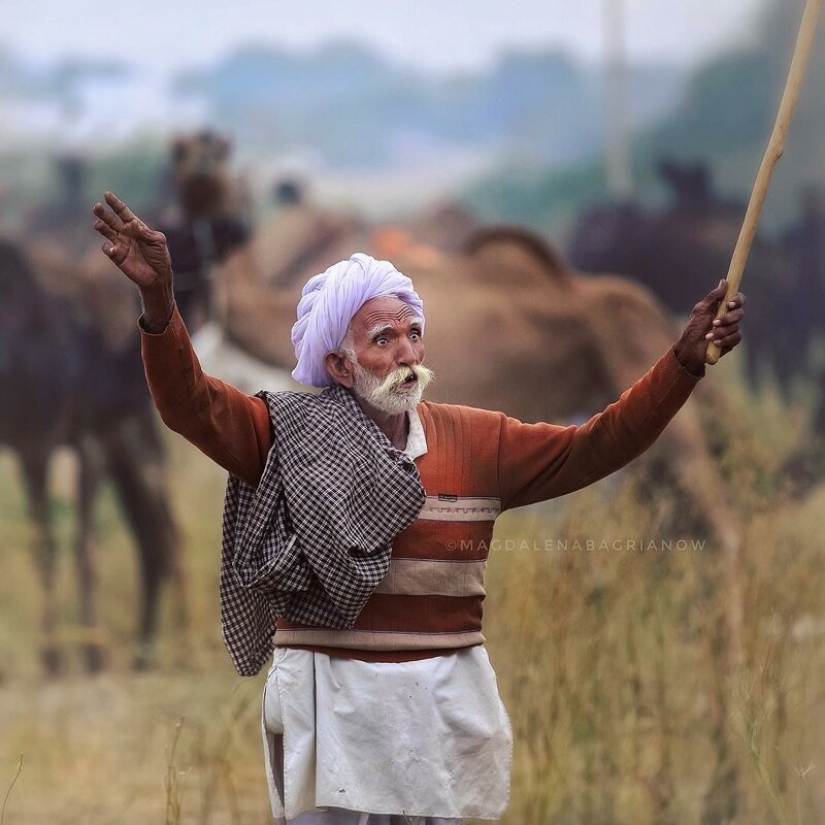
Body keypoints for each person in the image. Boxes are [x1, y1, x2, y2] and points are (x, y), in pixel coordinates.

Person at [93, 191, 744, 824]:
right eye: (383, 339)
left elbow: (595, 445)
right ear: (338, 365)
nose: (406, 352)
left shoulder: (475, 439)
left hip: (440, 726)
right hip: (328, 730)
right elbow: (190, 405)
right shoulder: (281, 435)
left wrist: (680, 364)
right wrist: (159, 305)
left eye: (413, 333)